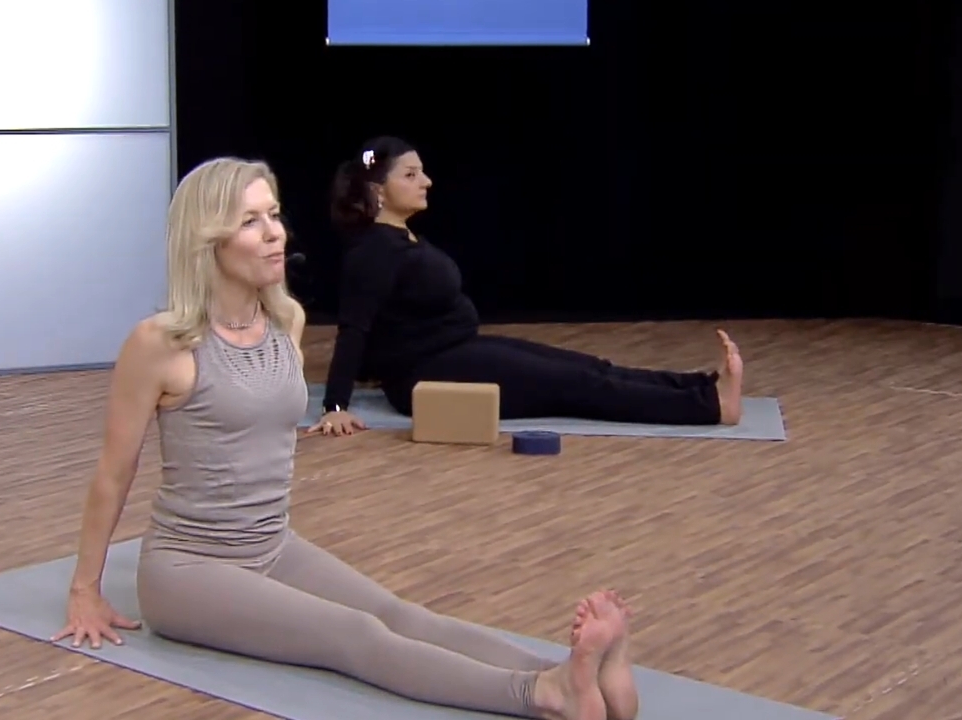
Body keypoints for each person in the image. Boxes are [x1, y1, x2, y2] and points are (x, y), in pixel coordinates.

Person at [50, 157, 641, 720]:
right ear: (207, 241)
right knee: (353, 634)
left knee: (399, 614)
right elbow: (114, 473)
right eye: (250, 221)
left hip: (272, 544)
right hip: (189, 570)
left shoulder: (286, 321)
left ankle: (570, 675)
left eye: (273, 214)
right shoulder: (160, 344)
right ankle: (542, 696)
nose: (274, 233)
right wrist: (85, 591)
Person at [307, 136, 745, 438]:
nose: (427, 182)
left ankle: (701, 387)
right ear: (377, 191)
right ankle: (710, 407)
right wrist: (336, 407)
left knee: (589, 367)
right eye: (411, 175)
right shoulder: (372, 251)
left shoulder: (401, 238)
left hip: (458, 351)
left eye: (422, 172)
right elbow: (354, 330)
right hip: (427, 373)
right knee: (578, 384)